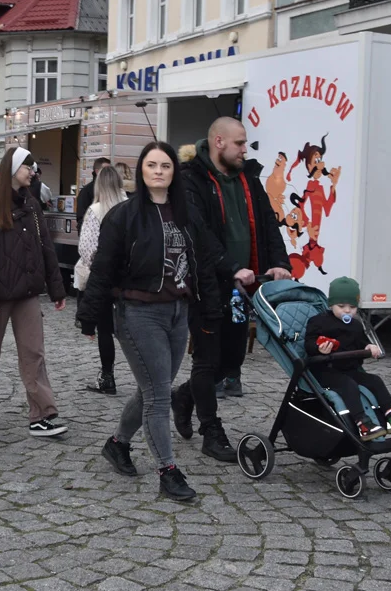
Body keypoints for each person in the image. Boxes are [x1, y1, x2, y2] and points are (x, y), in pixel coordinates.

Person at [76, 141, 224, 501]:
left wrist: (212, 308)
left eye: (166, 166)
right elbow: (103, 267)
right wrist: (89, 314)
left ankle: (117, 444)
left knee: (152, 390)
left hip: (178, 313)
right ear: (141, 171)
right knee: (159, 395)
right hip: (138, 313)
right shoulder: (124, 216)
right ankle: (168, 471)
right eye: (152, 165)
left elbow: (203, 263)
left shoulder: (185, 214)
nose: (159, 171)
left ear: (174, 172)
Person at [172, 117, 292, 460]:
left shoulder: (249, 179)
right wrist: (229, 266)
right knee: (208, 360)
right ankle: (211, 431)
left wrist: (280, 261)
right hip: (207, 284)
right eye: (239, 143)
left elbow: (269, 223)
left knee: (232, 361)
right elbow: (199, 232)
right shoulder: (191, 179)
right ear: (219, 142)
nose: (245, 149)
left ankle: (184, 396)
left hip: (243, 289)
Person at [0, 147, 69, 438]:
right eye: (28, 166)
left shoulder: (32, 205)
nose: (33, 171)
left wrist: (56, 288)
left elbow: (45, 248)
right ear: (12, 169)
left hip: (26, 294)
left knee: (33, 352)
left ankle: (42, 414)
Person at [305, 277, 391, 441]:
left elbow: (362, 341)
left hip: (349, 368)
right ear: (331, 305)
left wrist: (369, 347)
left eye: (352, 307)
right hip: (326, 370)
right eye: (341, 306)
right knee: (349, 386)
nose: (347, 311)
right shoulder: (319, 322)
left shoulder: (356, 325)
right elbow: (308, 343)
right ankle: (362, 423)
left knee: (375, 381)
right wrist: (318, 348)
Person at [73, 165, 127, 395]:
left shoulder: (95, 210)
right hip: (129, 276)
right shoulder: (131, 207)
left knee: (104, 329)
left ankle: (108, 376)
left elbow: (86, 248)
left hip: (104, 276)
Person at [76, 157, 112, 228]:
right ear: (97, 171)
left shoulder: (112, 189)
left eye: (110, 170)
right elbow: (81, 217)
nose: (109, 173)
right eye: (106, 170)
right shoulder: (87, 191)